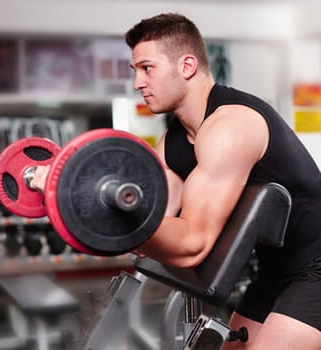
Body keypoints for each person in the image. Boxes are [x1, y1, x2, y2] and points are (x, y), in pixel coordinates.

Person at [30, 13, 321, 349]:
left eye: (147, 68)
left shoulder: (231, 126)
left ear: (186, 66)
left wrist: (76, 194)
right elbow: (157, 227)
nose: (138, 82)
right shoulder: (173, 143)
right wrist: (74, 200)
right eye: (135, 70)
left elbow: (190, 245)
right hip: (274, 273)